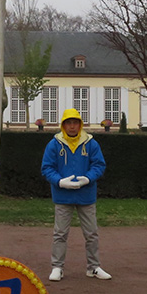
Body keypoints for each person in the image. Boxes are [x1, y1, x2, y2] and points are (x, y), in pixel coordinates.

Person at [41, 108, 111, 282]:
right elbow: (47, 168)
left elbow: (99, 165)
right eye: (69, 123)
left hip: (86, 195)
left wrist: (87, 179)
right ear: (63, 125)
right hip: (62, 196)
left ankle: (93, 267)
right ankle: (57, 267)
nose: (72, 126)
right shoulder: (54, 144)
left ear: (80, 125)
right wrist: (59, 181)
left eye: (75, 123)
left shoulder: (91, 144)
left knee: (91, 233)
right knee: (60, 233)